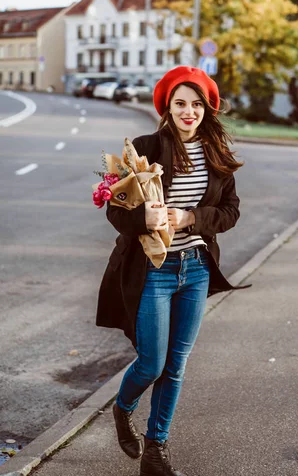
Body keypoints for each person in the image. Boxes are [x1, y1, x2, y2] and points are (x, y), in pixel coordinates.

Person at [96, 65, 248, 476]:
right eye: (180, 103)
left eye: (196, 104)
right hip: (153, 271)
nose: (189, 111)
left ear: (206, 109)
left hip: (195, 268)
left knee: (176, 365)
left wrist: (188, 219)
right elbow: (116, 210)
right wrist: (147, 217)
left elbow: (230, 212)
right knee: (151, 363)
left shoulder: (216, 154)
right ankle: (122, 407)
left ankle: (155, 450)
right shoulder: (144, 148)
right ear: (167, 106)